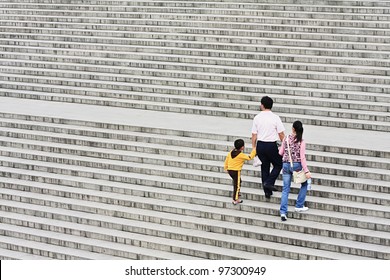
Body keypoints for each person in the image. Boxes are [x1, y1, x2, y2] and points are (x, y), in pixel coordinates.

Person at [251, 96, 285, 199]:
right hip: (271, 145)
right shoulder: (275, 117)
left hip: (260, 145)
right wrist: (284, 145)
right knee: (278, 164)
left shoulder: (257, 117)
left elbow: (254, 135)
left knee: (264, 167)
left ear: (262, 105)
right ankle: (269, 182)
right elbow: (281, 134)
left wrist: (254, 147)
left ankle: (267, 192)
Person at [278, 120, 312, 221]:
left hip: (285, 165)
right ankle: (299, 205)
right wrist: (306, 171)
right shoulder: (301, 141)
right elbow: (302, 157)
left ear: (293, 128)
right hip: (297, 165)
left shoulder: (286, 138)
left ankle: (283, 212)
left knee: (285, 189)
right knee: (304, 183)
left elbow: (280, 152)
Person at [224, 139, 256, 205]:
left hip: (230, 170)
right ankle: (235, 199)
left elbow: (227, 159)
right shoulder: (240, 155)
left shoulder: (231, 152)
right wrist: (254, 151)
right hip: (236, 171)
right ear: (242, 147)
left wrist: (226, 167)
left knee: (238, 182)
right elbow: (249, 157)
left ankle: (237, 195)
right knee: (237, 185)